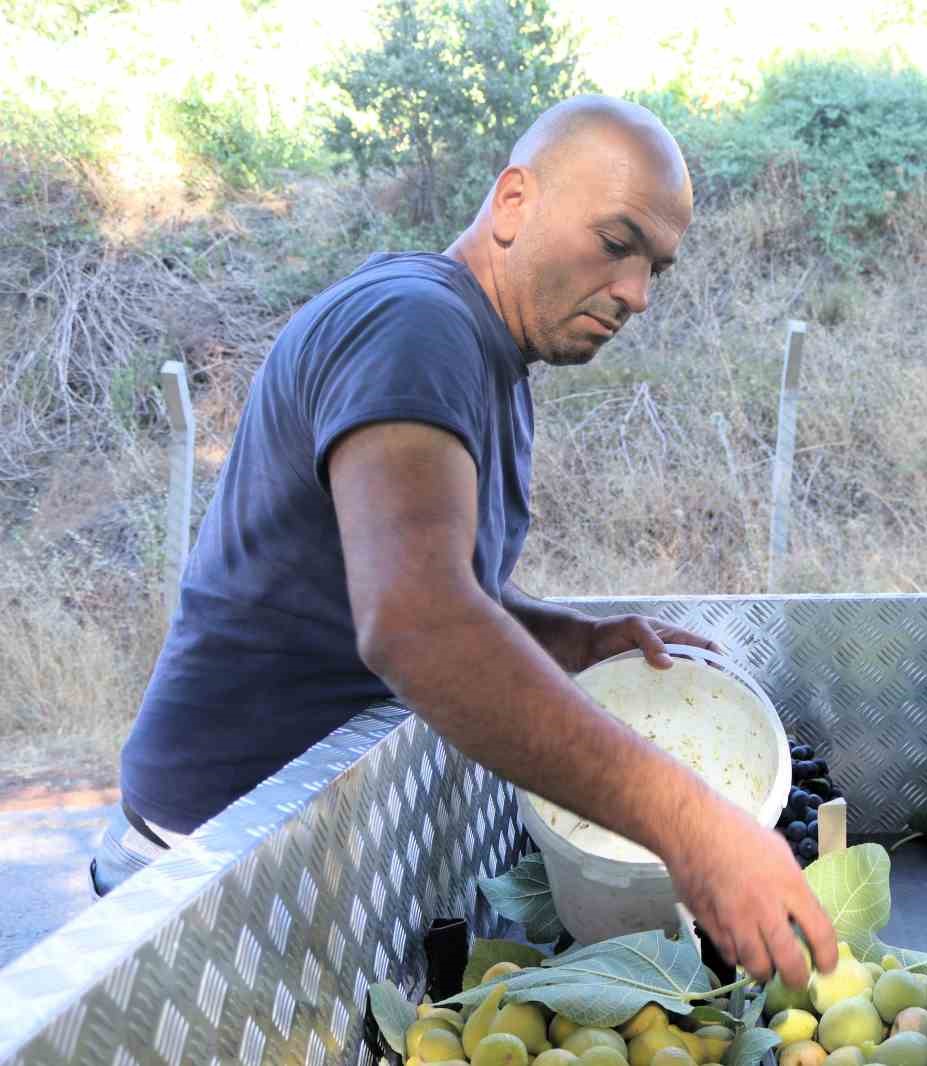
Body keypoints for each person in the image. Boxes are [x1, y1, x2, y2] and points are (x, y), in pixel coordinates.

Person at [95, 96, 836, 986]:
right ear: (515, 201)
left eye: (655, 268)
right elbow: (418, 622)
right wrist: (693, 826)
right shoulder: (414, 327)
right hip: (212, 872)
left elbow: (425, 580)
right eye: (615, 243)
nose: (637, 293)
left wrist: (578, 640)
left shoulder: (483, 356)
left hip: (298, 855)